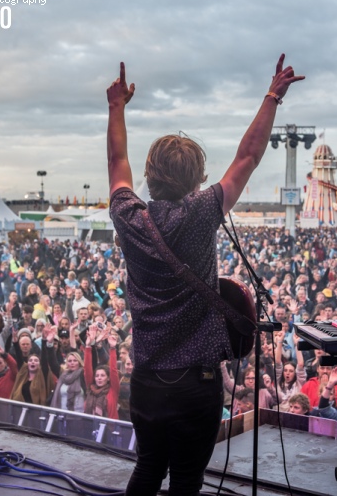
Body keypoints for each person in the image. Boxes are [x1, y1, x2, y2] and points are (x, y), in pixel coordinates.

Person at [108, 55, 303, 495]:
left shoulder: (128, 217)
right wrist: (272, 96)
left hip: (148, 380)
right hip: (197, 385)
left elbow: (117, 159)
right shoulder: (202, 212)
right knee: (187, 481)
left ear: (150, 176)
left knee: (147, 469)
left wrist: (116, 107)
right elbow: (249, 156)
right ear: (198, 180)